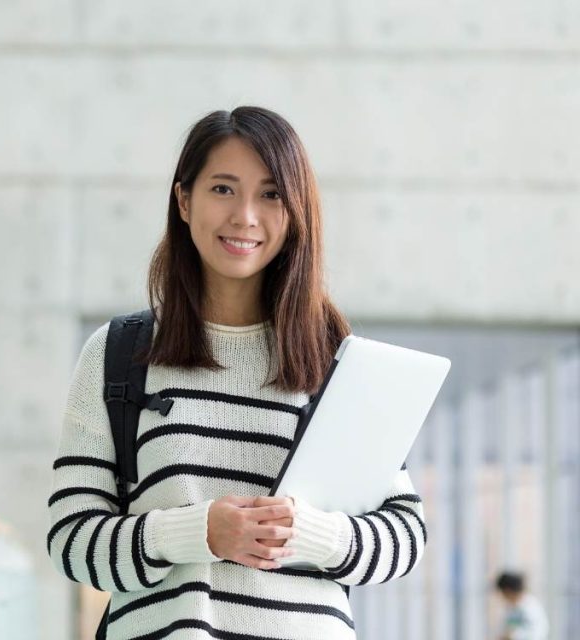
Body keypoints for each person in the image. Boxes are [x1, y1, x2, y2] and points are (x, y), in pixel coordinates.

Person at [45, 106, 429, 639]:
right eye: (223, 189)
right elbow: (72, 541)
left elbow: (404, 536)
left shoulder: (336, 363)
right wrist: (198, 531)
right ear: (184, 200)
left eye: (271, 194)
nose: (245, 216)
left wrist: (306, 534)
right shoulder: (118, 354)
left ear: (296, 211)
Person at [495, 571, 549, 640]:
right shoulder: (509, 608)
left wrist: (512, 636)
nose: (502, 596)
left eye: (502, 592)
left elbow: (536, 633)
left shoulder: (530, 607)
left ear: (508, 591)